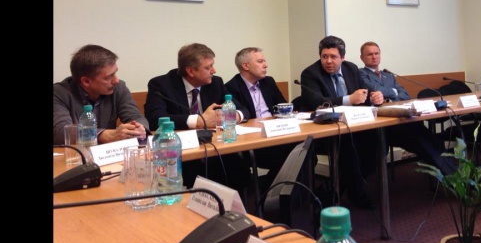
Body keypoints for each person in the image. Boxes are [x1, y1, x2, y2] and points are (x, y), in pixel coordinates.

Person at [144, 43, 252, 191]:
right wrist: (199, 121)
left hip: (213, 149)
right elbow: (155, 119)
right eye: (208, 67)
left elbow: (243, 110)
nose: (214, 70)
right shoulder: (161, 85)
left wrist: (231, 116)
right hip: (182, 154)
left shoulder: (215, 83)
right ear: (190, 71)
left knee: (240, 171)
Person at [299, 35, 385, 209]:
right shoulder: (310, 73)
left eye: (333, 57)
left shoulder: (351, 68)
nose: (328, 61)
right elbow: (317, 102)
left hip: (354, 125)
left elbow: (364, 92)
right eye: (324, 56)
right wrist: (349, 99)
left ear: (343, 57)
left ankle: (330, 190)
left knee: (378, 142)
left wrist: (376, 96)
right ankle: (356, 193)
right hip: (326, 129)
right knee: (349, 148)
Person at [359, 41, 456, 175]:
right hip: (384, 126)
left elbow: (405, 95)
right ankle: (452, 176)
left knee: (432, 139)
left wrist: (389, 96)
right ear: (362, 58)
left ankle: (454, 173)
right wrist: (394, 92)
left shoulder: (388, 75)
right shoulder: (360, 74)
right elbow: (374, 89)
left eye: (376, 53)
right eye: (370, 54)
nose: (374, 57)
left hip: (402, 119)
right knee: (422, 141)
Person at [224, 47, 298, 193]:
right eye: (260, 61)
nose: (266, 65)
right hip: (253, 142)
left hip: (276, 134)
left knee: (304, 151)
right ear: (246, 66)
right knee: (290, 156)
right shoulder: (231, 87)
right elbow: (241, 118)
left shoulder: (268, 82)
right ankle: (268, 194)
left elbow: (282, 106)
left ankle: (292, 196)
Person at [53, 44, 150, 146]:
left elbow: (135, 116)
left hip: (108, 153)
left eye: (115, 73)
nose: (116, 80)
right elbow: (60, 132)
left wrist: (139, 128)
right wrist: (103, 135)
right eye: (108, 77)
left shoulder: (118, 87)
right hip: (74, 154)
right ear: (86, 81)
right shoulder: (58, 93)